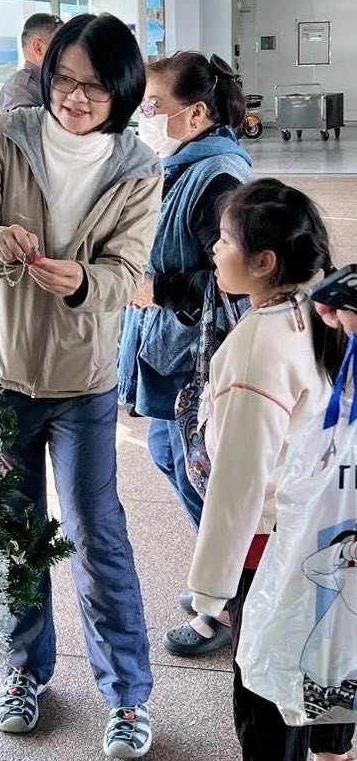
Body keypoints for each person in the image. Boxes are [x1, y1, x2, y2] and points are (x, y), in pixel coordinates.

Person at [0, 13, 163, 759]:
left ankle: (127, 694)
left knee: (95, 533)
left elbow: (128, 272)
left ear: (122, 92)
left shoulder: (139, 169)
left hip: (84, 382)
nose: (75, 97)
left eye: (95, 87)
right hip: (3, 373)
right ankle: (23, 669)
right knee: (15, 533)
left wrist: (82, 281)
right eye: (64, 79)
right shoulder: (3, 138)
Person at [187, 179, 353, 761]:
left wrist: (210, 588)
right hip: (331, 528)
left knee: (266, 673)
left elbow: (240, 480)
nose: (214, 250)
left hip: (269, 544)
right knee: (327, 648)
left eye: (225, 240)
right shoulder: (324, 315)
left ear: (264, 262)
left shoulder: (257, 347)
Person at [118, 51, 252, 657]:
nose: (143, 115)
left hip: (193, 353)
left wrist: (162, 290)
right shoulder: (183, 164)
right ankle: (220, 577)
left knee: (198, 470)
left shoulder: (218, 180)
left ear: (196, 114)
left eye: (153, 106)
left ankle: (226, 599)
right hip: (168, 347)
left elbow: (238, 276)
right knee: (170, 454)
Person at [0, 13, 63, 112]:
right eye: (60, 45)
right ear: (38, 48)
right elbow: (24, 122)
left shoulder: (48, 80)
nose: (67, 51)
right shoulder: (18, 88)